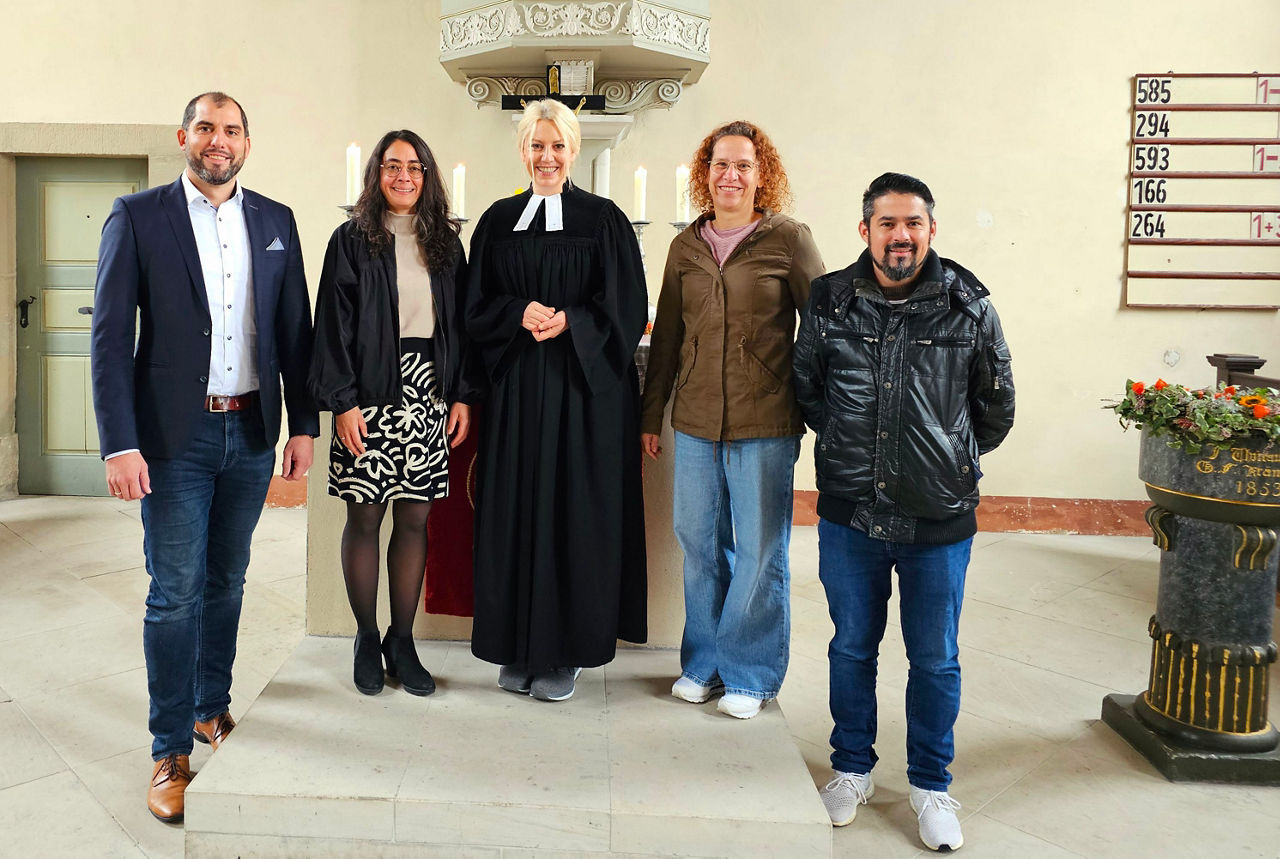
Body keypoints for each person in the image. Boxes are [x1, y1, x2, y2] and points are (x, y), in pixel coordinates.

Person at [90, 92, 317, 824]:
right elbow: (108, 336)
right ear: (184, 136)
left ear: (247, 141)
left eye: (233, 130)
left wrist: (303, 424)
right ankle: (168, 749)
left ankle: (211, 709)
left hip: (250, 431)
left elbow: (295, 332)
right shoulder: (139, 215)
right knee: (175, 590)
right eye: (208, 128)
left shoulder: (275, 221)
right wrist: (120, 441)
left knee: (228, 580)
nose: (220, 141)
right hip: (173, 440)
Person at [793, 172, 1015, 851]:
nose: (900, 235)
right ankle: (852, 767)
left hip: (937, 519)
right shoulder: (829, 298)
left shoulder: (968, 302)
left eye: (912, 223)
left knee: (935, 657)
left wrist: (944, 455)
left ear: (930, 230)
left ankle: (929, 783)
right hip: (851, 513)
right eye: (887, 223)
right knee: (852, 647)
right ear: (865, 230)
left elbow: (995, 405)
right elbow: (808, 388)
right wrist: (848, 446)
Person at [639, 120, 825, 720]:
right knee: (698, 541)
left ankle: (751, 672)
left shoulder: (789, 240)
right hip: (693, 418)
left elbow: (823, 330)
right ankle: (704, 663)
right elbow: (666, 335)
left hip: (765, 421)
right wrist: (652, 413)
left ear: (761, 173)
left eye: (743, 165)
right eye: (721, 164)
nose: (731, 174)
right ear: (705, 173)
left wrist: (814, 403)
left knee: (760, 548)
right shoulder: (685, 248)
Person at [465, 98, 648, 703]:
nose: (547, 157)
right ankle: (517, 647)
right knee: (515, 510)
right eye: (536, 146)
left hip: (583, 397)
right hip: (516, 393)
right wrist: (518, 312)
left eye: (557, 146)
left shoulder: (603, 220)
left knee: (575, 515)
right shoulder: (496, 221)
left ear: (574, 151)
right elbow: (473, 306)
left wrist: (573, 321)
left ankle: (565, 652)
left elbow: (627, 307)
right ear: (522, 151)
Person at [309, 130, 479, 698]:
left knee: (414, 520)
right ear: (376, 175)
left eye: (414, 167)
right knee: (365, 518)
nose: (403, 176)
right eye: (392, 166)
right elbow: (331, 326)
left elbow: (463, 326)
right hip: (368, 393)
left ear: (427, 176)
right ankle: (364, 636)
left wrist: (461, 394)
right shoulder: (351, 240)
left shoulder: (447, 246)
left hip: (428, 390)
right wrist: (343, 403)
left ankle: (401, 640)